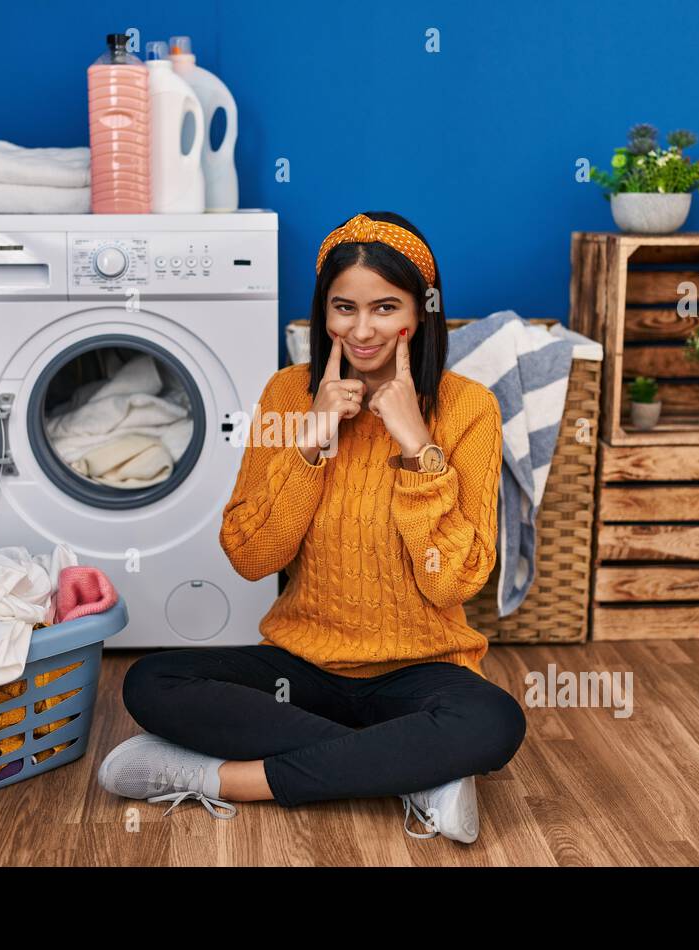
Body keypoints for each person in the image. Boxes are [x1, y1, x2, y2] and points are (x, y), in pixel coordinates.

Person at [97, 211, 526, 842]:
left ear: (421, 312)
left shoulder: (468, 407)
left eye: (385, 307)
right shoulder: (287, 395)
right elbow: (249, 554)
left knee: (494, 723)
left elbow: (453, 584)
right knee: (150, 681)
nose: (361, 329)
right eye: (343, 308)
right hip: (300, 668)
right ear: (323, 312)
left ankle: (218, 779)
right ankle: (412, 770)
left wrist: (417, 449)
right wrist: (311, 441)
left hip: (421, 670)